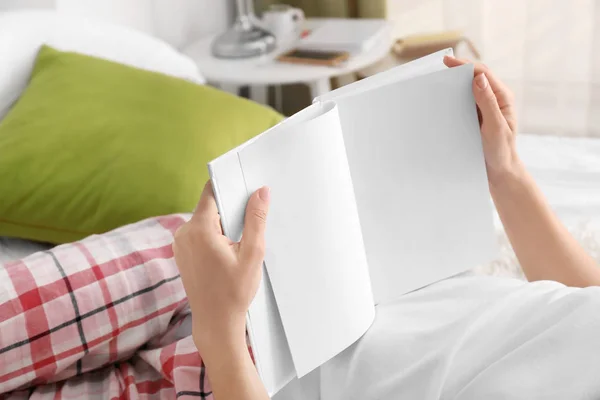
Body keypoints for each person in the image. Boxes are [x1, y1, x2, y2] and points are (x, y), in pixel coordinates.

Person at [173, 56, 600, 400]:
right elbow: (587, 302)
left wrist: (220, 332)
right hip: (353, 280)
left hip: (253, 363)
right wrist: (505, 173)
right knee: (176, 239)